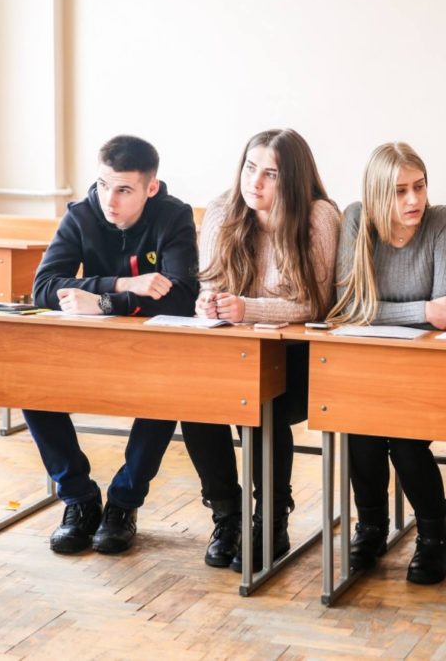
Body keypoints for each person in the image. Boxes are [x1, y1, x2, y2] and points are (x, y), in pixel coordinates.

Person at [26, 134, 199, 554]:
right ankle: (79, 499)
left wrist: (103, 302)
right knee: (30, 388)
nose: (110, 200)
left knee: (165, 394)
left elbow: (181, 297)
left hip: (151, 349)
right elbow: (44, 288)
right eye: (104, 185)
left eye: (124, 190)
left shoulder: (173, 216)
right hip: (90, 345)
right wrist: (123, 284)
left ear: (150, 187)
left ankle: (123, 504)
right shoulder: (81, 214)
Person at [180, 129, 341, 572]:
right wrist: (208, 303)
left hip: (299, 356)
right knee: (195, 404)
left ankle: (270, 520)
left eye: (271, 174)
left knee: (261, 408)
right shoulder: (222, 210)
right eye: (251, 168)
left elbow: (316, 304)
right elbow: (211, 285)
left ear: (293, 180)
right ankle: (227, 516)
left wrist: (246, 307)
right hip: (237, 350)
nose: (255, 181)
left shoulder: (319, 217)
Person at [329, 142, 446, 585]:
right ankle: (370, 527)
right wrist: (421, 310)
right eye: (400, 191)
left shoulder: (442, 221)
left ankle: (434, 535)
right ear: (376, 194)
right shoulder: (356, 219)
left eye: (419, 187)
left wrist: (400, 312)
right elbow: (348, 308)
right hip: (369, 362)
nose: (413, 200)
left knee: (406, 443)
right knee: (360, 433)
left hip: (426, 363)